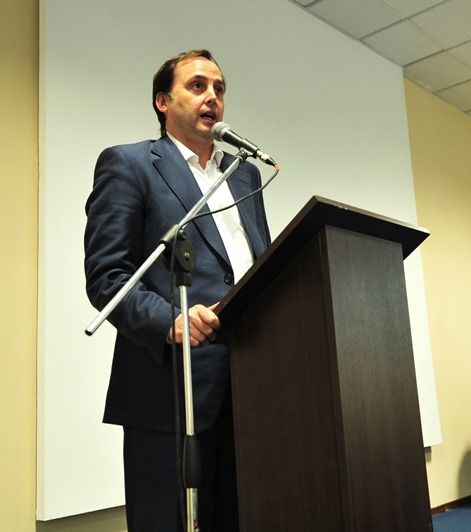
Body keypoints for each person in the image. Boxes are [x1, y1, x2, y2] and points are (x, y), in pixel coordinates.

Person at [84, 49, 271, 531]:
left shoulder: (244, 174)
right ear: (162, 101)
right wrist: (170, 320)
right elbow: (108, 276)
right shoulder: (130, 164)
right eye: (198, 85)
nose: (213, 96)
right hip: (168, 390)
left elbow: (257, 269)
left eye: (220, 88)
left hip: (252, 388)